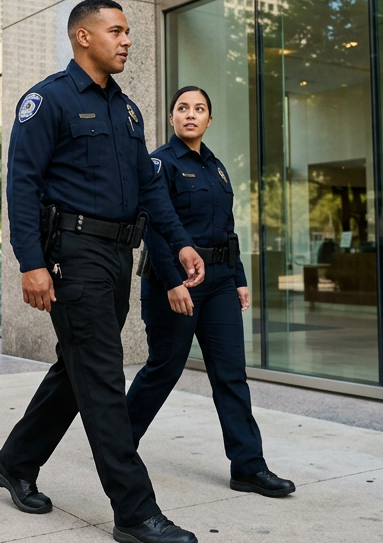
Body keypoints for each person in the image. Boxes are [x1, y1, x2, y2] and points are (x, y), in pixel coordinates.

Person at [0, 0, 207, 543]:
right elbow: (22, 186)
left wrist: (180, 241)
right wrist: (31, 263)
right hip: (73, 254)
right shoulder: (48, 100)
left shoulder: (128, 112)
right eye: (116, 31)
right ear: (83, 37)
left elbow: (151, 187)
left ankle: (14, 463)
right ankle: (136, 513)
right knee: (105, 380)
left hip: (116, 259)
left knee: (79, 368)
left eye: (129, 31)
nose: (127, 39)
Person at [125, 86, 296, 498]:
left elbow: (228, 229)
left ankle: (248, 467)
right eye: (182, 108)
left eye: (199, 109)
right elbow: (154, 228)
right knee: (164, 369)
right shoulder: (159, 164)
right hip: (177, 280)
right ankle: (116, 446)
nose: (190, 115)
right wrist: (171, 282)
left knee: (231, 373)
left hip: (218, 281)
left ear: (209, 119)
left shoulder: (216, 168)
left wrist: (237, 276)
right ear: (171, 118)